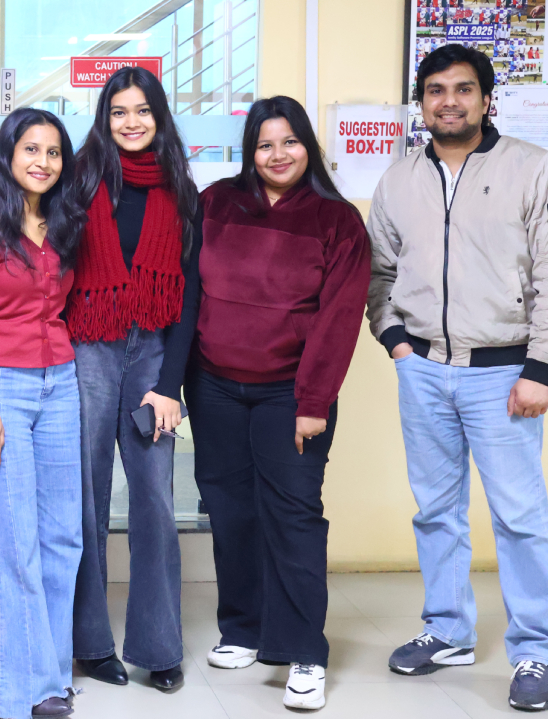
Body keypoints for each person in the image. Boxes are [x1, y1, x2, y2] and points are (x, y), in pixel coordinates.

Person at [0, 66, 201, 693]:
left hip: (151, 352)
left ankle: (159, 647)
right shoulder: (80, 177)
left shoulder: (180, 188)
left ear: (159, 115)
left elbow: (191, 290)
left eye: (142, 110)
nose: (131, 122)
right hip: (85, 344)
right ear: (103, 118)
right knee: (82, 502)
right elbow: (20, 247)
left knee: (154, 497)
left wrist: (171, 383)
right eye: (119, 111)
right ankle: (88, 644)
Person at [366, 44, 548, 712]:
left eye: (463, 89)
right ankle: (449, 630)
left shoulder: (532, 168)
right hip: (424, 371)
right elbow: (379, 272)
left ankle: (536, 650)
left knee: (519, 516)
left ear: (487, 100)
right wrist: (397, 343)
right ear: (421, 103)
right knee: (435, 510)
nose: (450, 102)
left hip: (505, 373)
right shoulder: (399, 179)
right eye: (436, 90)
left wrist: (540, 368)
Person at [184, 96, 370, 711]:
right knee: (229, 509)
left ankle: (304, 652)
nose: (278, 154)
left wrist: (314, 400)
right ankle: (242, 627)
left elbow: (340, 318)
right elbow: (189, 292)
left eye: (289, 142)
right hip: (214, 387)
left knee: (292, 517)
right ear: (250, 151)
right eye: (265, 144)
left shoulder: (337, 221)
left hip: (291, 393)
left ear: (307, 146)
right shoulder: (216, 202)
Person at [0, 107, 86, 719]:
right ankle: (11, 694)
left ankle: (51, 680)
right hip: (1, 385)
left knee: (62, 537)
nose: (43, 161)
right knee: (11, 542)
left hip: (60, 381)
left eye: (53, 152)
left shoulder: (65, 222)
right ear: (8, 154)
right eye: (31, 149)